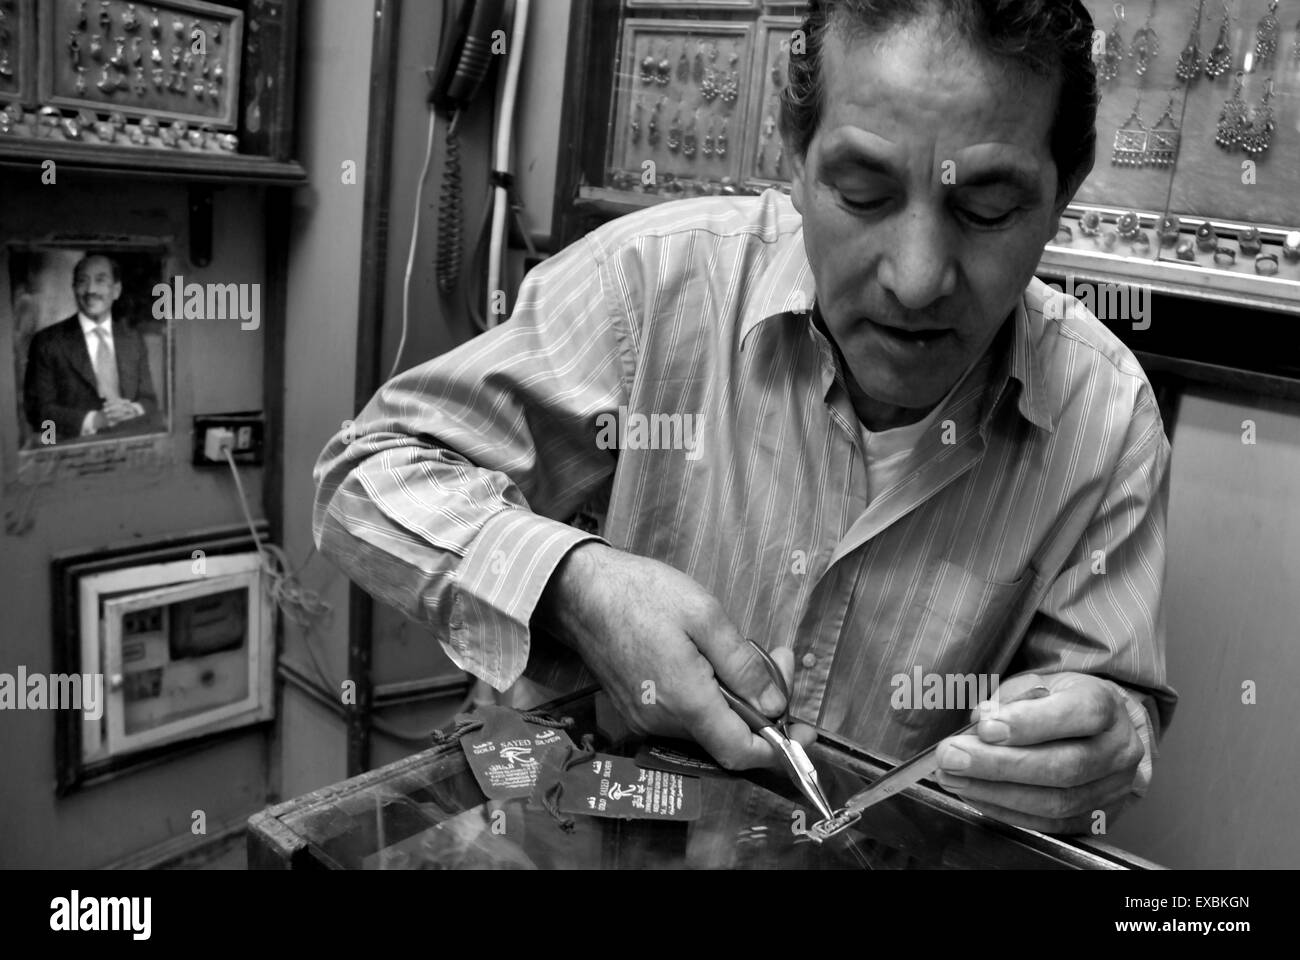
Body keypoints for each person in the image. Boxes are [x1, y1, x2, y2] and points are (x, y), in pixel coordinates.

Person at [314, 0, 1176, 834]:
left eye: (986, 207)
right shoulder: (654, 286)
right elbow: (367, 474)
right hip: (573, 814)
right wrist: (575, 587)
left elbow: (1107, 706)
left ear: (1066, 188)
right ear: (794, 157)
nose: (917, 279)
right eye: (864, 191)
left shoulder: (1104, 417)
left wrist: (1107, 741)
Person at [22, 254, 159, 444]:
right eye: (82, 282)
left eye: (101, 281)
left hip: (130, 447)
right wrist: (95, 419)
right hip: (71, 453)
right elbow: (38, 411)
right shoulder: (47, 342)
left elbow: (150, 401)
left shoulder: (133, 339)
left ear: (116, 290)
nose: (91, 290)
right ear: (74, 289)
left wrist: (131, 410)